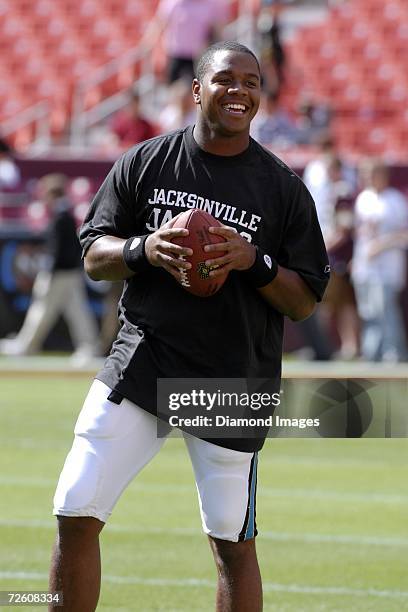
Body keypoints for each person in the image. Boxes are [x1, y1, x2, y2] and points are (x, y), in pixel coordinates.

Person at [48, 42, 329, 611]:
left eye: (252, 83)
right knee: (75, 509)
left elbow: (303, 302)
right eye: (227, 79)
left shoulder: (282, 188)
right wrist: (145, 247)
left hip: (231, 378)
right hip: (143, 361)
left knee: (231, 542)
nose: (241, 91)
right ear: (197, 90)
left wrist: (254, 261)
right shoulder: (147, 161)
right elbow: (93, 255)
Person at [0, 174, 99, 363]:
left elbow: (58, 249)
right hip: (68, 272)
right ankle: (88, 347)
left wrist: (49, 271)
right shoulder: (64, 215)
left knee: (44, 310)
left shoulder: (62, 217)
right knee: (75, 311)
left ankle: (27, 346)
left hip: (60, 273)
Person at [351, 160, 408, 362]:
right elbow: (361, 234)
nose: (366, 178)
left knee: (385, 309)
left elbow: (404, 233)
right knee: (368, 311)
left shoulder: (395, 200)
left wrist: (382, 245)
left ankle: (394, 353)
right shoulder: (363, 199)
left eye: (370, 173)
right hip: (365, 266)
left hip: (388, 267)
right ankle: (372, 354)